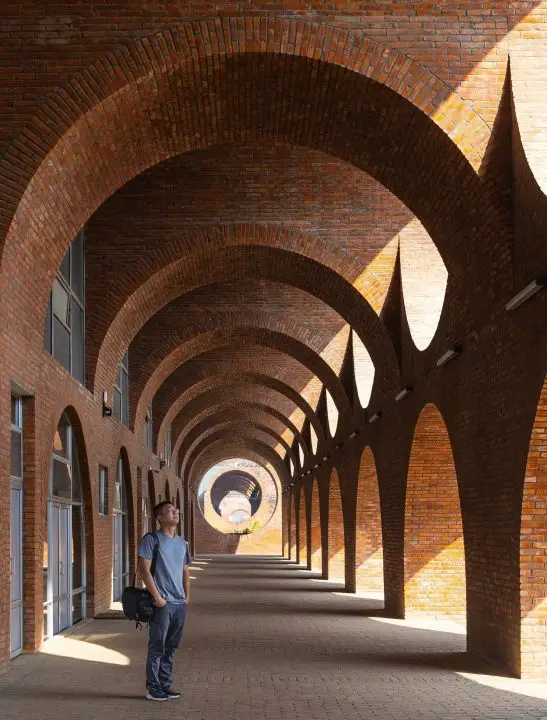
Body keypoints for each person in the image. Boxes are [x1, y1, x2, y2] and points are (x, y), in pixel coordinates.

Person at [137, 500, 192, 701]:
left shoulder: (182, 543)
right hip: (162, 604)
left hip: (179, 604)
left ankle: (165, 685)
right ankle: (153, 688)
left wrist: (187, 597)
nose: (176, 513)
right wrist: (157, 597)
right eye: (170, 511)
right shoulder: (152, 540)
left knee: (171, 647)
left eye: (176, 510)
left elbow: (185, 572)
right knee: (157, 647)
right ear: (159, 517)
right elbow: (144, 570)